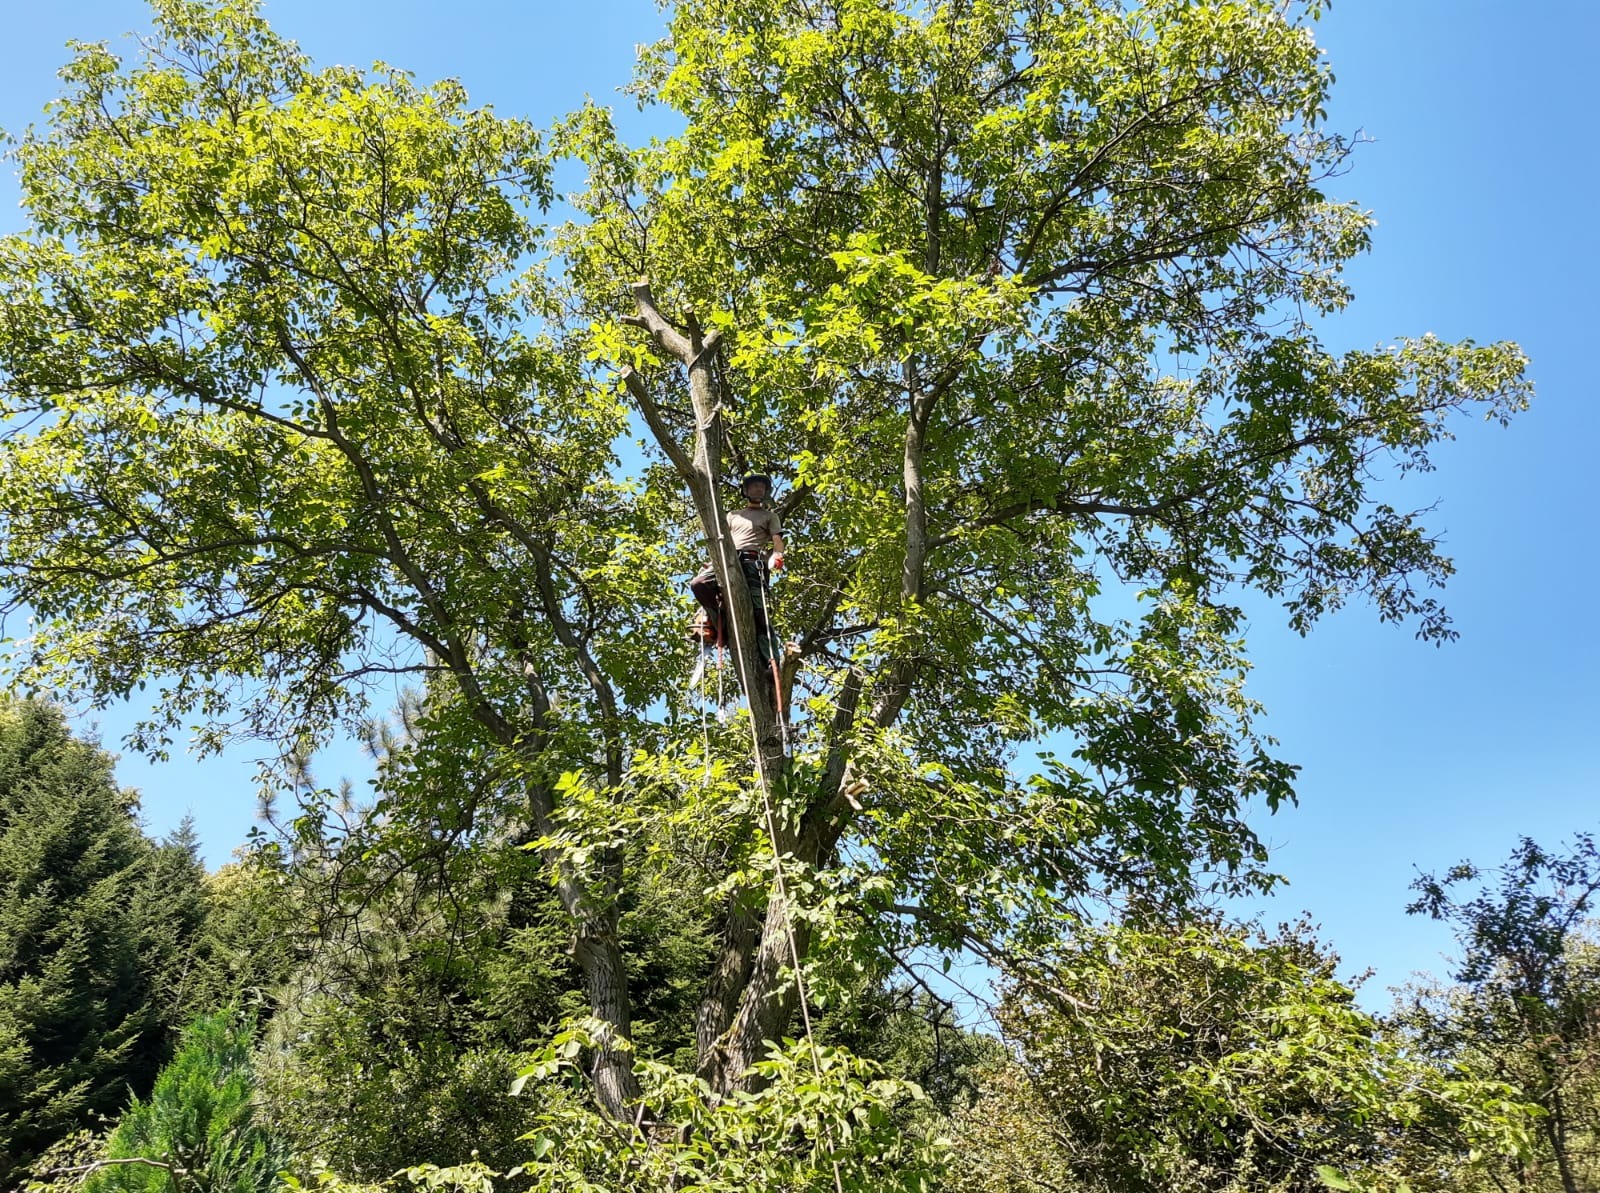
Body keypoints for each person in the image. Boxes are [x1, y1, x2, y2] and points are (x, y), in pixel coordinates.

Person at [689, 473, 785, 667]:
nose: (758, 489)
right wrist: (712, 561)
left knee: (759, 613)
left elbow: (777, 541)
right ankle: (719, 624)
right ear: (746, 490)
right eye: (754, 486)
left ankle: (771, 661)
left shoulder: (769, 516)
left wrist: (777, 556)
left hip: (752, 563)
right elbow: (722, 540)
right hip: (727, 560)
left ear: (766, 492)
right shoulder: (732, 515)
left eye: (762, 487)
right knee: (699, 584)